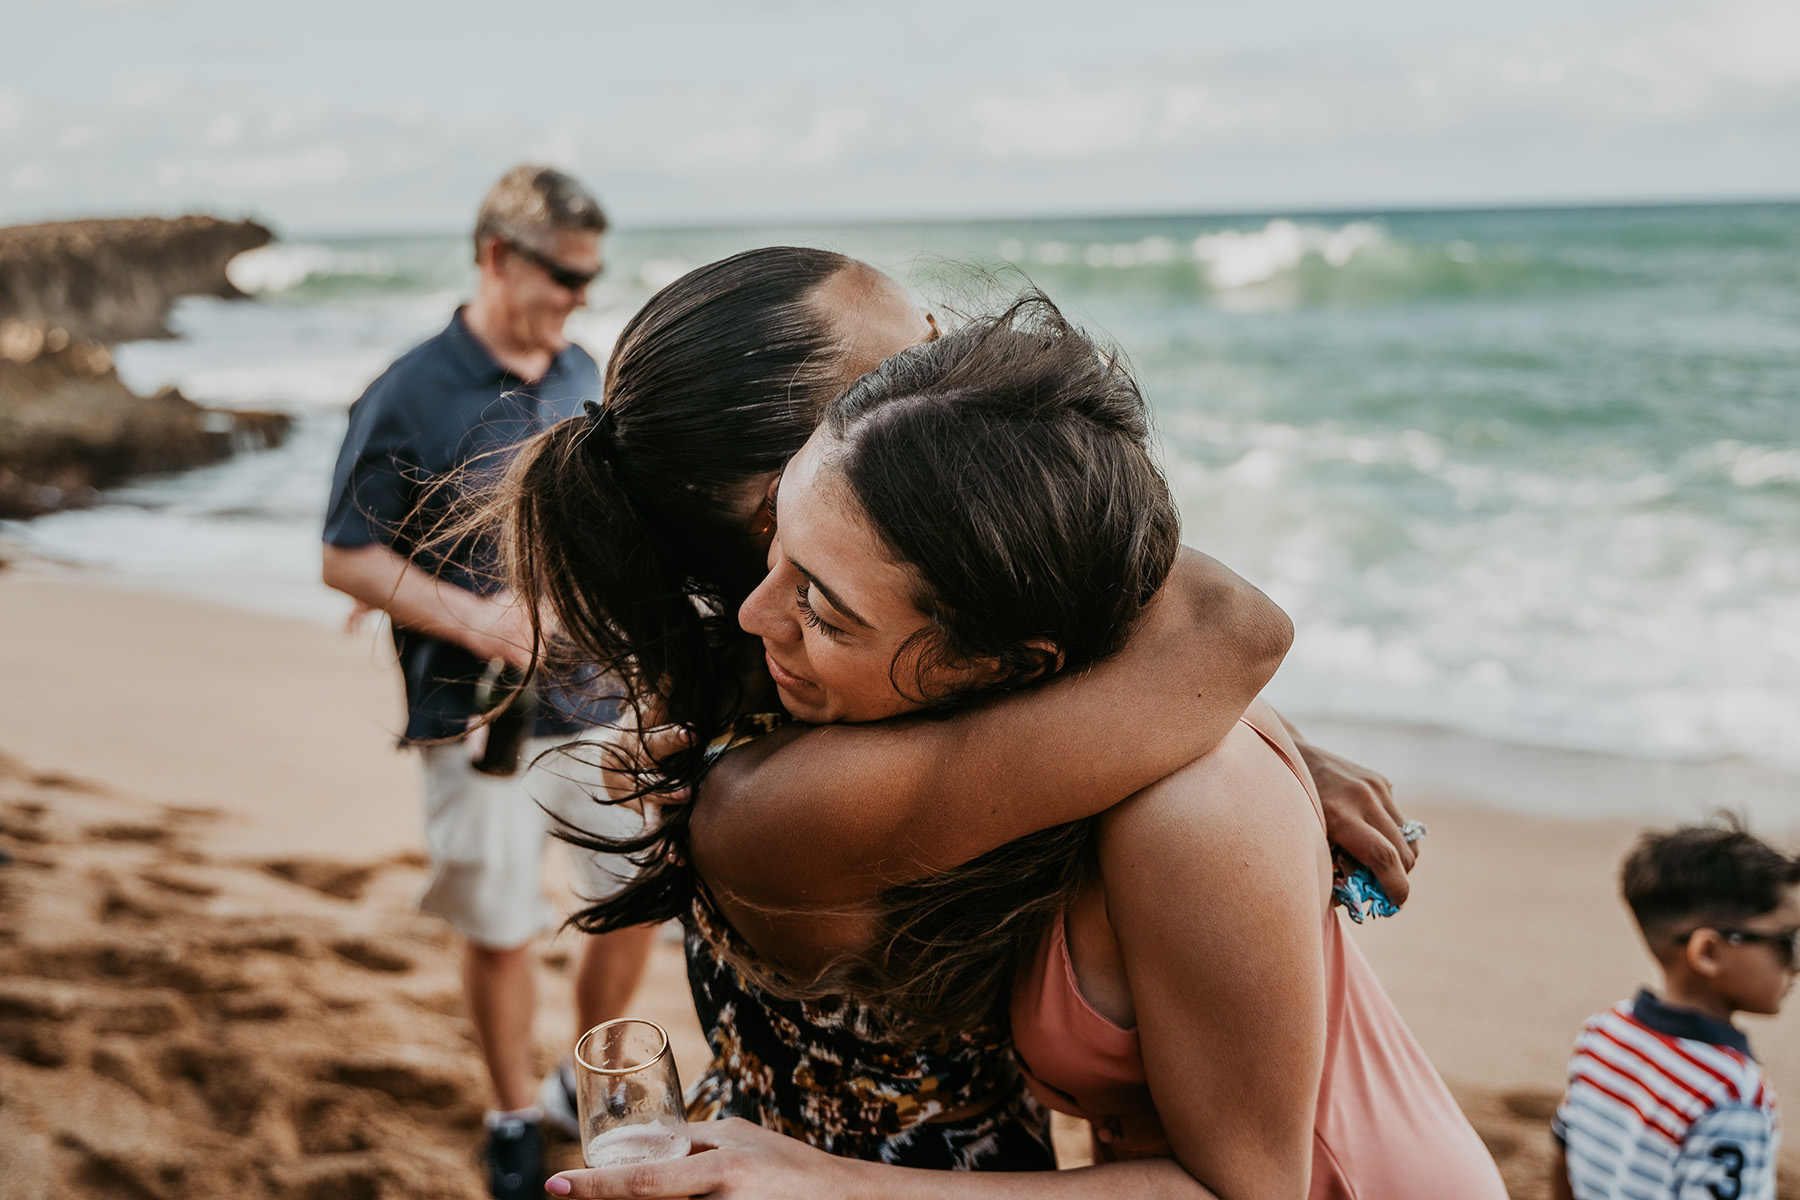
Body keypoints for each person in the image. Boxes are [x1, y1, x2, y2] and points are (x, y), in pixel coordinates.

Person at [546, 295, 1502, 1199]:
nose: (948, 367)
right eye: (909, 361)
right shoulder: (1056, 733)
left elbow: (1233, 623)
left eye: (934, 350)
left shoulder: (1183, 792)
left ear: (997, 664)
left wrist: (824, 1180)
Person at [319, 164, 654, 1200]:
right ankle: (513, 1115)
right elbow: (345, 556)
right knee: (503, 926)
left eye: (592, 275)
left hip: (599, 699)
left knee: (633, 903)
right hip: (475, 720)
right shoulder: (408, 391)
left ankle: (581, 1087)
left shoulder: (585, 369)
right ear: (497, 254)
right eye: (563, 271)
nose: (579, 296)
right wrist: (476, 619)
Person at [1552, 820, 1795, 1200]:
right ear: (1709, 952)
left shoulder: (1603, 1030)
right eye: (1788, 941)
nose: (1796, 963)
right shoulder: (1733, 1092)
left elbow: (1563, 1155)